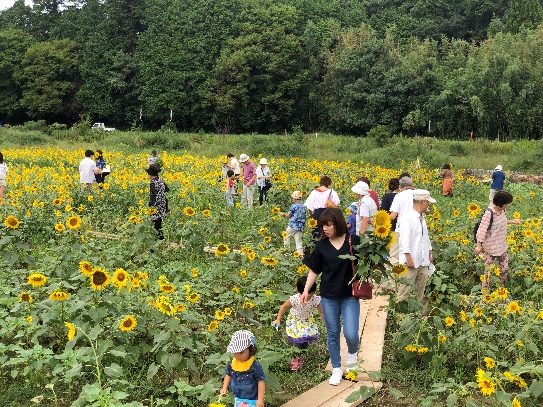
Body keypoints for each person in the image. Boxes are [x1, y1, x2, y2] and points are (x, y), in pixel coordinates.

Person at [301, 208, 361, 386]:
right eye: (322, 225)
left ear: (337, 223)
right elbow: (315, 270)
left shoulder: (353, 241)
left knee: (351, 333)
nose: (325, 229)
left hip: (350, 295)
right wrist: (306, 290)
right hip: (328, 296)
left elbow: (366, 262)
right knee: (333, 333)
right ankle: (336, 368)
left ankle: (352, 356)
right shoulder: (321, 245)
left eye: (328, 225)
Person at [273, 275, 324, 371]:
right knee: (297, 342)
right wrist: (278, 319)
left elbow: (320, 311)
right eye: (306, 293)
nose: (308, 296)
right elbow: (284, 307)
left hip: (307, 322)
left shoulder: (315, 300)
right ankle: (294, 360)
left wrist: (324, 322)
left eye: (311, 293)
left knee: (305, 341)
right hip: (295, 321)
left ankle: (301, 357)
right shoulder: (295, 299)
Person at [475, 190, 521, 290]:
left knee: (505, 269)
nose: (507, 206)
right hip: (490, 249)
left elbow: (502, 222)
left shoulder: (503, 210)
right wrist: (478, 246)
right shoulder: (489, 213)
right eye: (506, 204)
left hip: (502, 246)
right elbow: (482, 230)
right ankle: (485, 295)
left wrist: (513, 221)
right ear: (500, 204)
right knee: (489, 273)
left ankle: (501, 290)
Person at [397, 189, 435, 306]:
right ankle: (399, 318)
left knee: (422, 292)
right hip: (411, 261)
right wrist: (408, 257)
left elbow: (425, 238)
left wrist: (430, 252)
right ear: (421, 202)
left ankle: (420, 318)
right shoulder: (408, 218)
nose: (428, 205)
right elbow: (405, 240)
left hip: (423, 261)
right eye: (427, 202)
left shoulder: (422, 219)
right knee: (405, 291)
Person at [220, 330, 266, 407]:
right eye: (235, 352)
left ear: (251, 350)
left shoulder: (254, 366)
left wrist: (260, 399)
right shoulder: (232, 363)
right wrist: (224, 387)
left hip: (251, 399)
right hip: (236, 398)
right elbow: (228, 375)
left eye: (241, 352)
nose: (238, 355)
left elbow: (261, 382)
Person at [389, 176, 415, 264]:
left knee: (395, 255)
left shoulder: (398, 196)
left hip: (401, 229)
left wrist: (380, 220)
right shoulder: (417, 195)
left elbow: (393, 216)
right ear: (411, 185)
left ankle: (395, 275)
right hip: (415, 228)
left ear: (400, 186)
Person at [280, 191, 306, 256]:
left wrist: (283, 214)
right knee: (298, 241)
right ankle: (301, 255)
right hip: (300, 226)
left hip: (293, 225)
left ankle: (287, 252)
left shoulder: (294, 206)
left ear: (294, 198)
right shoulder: (303, 206)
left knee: (286, 235)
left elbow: (289, 216)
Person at [146, 166, 169, 240]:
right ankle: (160, 237)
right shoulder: (160, 180)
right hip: (163, 204)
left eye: (148, 174)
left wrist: (151, 208)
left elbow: (153, 196)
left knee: (156, 223)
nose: (148, 175)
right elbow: (167, 189)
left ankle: (159, 239)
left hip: (156, 206)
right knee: (159, 222)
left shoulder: (153, 182)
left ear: (151, 174)